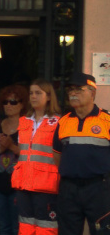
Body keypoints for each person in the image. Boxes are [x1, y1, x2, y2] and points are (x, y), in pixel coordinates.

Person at [53, 72, 110, 235]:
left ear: (92, 93)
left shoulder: (106, 120)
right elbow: (57, 156)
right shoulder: (63, 122)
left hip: (99, 189)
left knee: (102, 232)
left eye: (78, 89)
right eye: (70, 89)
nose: (73, 93)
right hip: (69, 189)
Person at [11, 79, 61, 235]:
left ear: (48, 97)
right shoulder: (23, 122)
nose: (33, 96)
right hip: (24, 183)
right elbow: (23, 152)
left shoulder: (58, 122)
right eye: (31, 93)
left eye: (38, 93)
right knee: (25, 227)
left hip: (46, 185)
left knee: (46, 228)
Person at [0, 85, 28, 235]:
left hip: (18, 185)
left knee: (17, 227)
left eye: (13, 102)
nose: (8, 105)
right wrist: (1, 149)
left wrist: (11, 146)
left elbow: (29, 155)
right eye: (5, 102)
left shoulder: (27, 125)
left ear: (22, 104)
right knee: (3, 226)